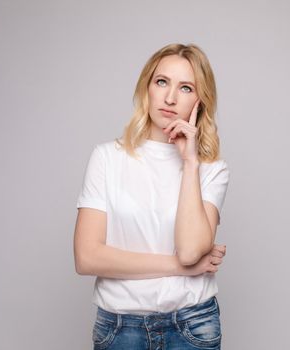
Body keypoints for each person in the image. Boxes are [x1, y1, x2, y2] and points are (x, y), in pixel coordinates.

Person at [74, 43, 230, 349]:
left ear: (201, 101)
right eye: (162, 82)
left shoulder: (211, 170)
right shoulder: (107, 158)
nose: (170, 97)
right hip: (120, 328)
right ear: (147, 87)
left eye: (185, 88)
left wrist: (189, 163)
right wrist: (181, 267)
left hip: (193, 326)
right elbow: (87, 257)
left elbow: (189, 251)